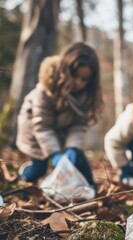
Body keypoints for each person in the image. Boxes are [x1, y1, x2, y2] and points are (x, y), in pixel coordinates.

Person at [17, 42, 103, 188]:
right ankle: (25, 174)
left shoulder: (85, 96)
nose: (78, 83)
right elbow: (42, 126)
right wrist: (54, 154)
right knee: (39, 168)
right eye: (75, 76)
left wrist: (72, 147)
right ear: (65, 69)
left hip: (59, 129)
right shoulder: (45, 91)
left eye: (84, 79)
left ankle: (90, 186)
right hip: (35, 131)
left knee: (78, 158)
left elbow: (79, 124)